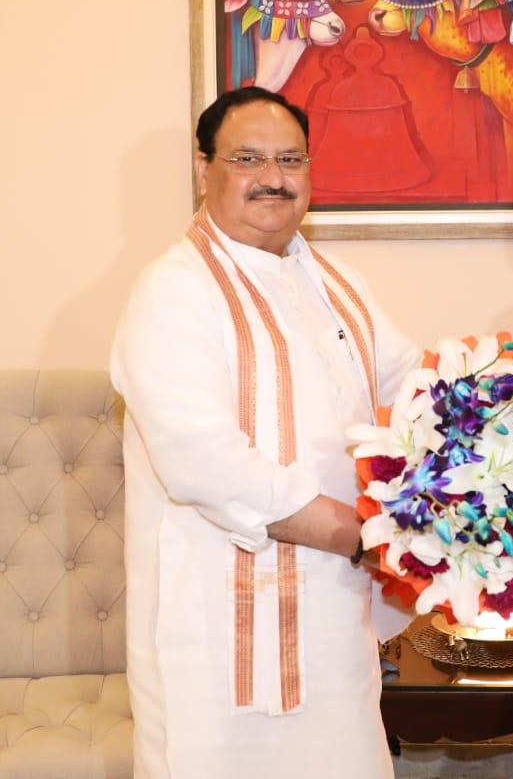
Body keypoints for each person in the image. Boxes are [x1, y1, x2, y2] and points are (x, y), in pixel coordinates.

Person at [110, 86, 419, 778]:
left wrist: (508, 431)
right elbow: (205, 462)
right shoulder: (174, 291)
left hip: (335, 620)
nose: (273, 178)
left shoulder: (335, 282)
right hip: (219, 634)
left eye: (290, 159)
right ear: (203, 169)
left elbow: (412, 387)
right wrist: (368, 537)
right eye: (247, 158)